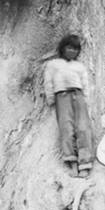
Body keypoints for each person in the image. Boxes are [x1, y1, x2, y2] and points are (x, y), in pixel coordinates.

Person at [42, 34, 93, 177]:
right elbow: (48, 82)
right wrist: (51, 98)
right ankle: (72, 162)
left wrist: (86, 100)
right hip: (62, 96)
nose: (72, 51)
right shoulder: (53, 64)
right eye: (69, 48)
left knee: (83, 128)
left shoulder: (79, 66)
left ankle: (85, 163)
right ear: (63, 48)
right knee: (66, 128)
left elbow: (85, 84)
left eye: (75, 49)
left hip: (78, 95)